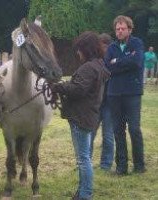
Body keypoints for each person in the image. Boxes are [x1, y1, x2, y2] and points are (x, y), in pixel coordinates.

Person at [50, 31, 110, 200]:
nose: (77, 53)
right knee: (84, 158)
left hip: (81, 118)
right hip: (89, 116)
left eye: (79, 49)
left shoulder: (88, 67)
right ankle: (83, 191)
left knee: (83, 160)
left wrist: (58, 87)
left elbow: (78, 89)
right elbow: (81, 86)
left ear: (86, 49)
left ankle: (85, 194)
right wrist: (66, 85)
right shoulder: (98, 65)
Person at [105, 15, 145, 175]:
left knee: (134, 129)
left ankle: (139, 165)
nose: (120, 31)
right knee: (118, 130)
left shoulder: (137, 43)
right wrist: (125, 59)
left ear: (129, 29)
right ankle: (121, 167)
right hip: (114, 94)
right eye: (117, 29)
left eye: (123, 28)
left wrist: (117, 62)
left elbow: (137, 62)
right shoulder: (111, 47)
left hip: (132, 93)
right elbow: (108, 67)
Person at [90, 33, 114, 171]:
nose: (100, 48)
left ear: (107, 46)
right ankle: (86, 161)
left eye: (102, 45)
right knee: (90, 133)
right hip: (97, 103)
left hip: (109, 102)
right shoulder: (95, 60)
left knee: (108, 135)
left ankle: (106, 164)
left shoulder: (111, 60)